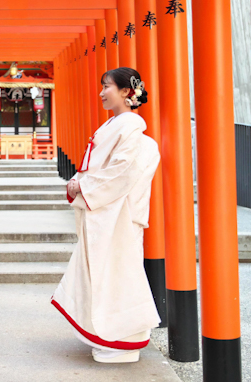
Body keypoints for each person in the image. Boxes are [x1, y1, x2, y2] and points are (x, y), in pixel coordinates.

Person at [51, 67, 161, 364]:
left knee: (118, 274)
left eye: (107, 86)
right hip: (109, 210)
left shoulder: (130, 126)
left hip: (117, 216)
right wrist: (81, 182)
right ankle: (108, 334)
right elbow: (103, 169)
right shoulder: (118, 125)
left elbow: (120, 172)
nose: (101, 92)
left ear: (127, 92)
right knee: (107, 273)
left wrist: (82, 186)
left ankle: (122, 338)